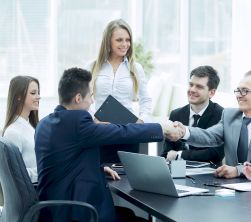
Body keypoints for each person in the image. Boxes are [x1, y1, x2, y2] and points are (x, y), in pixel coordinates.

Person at [35, 68, 175, 222]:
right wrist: (161, 128)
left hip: (54, 211)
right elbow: (123, 132)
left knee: (128, 214)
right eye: (90, 96)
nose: (92, 101)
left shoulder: (44, 123)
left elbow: (64, 161)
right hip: (76, 213)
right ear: (78, 98)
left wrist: (97, 167)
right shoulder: (78, 122)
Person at [167, 70, 251, 178]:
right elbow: (209, 136)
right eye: (238, 91)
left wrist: (238, 170)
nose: (239, 96)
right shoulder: (230, 115)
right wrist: (184, 132)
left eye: (245, 91)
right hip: (230, 186)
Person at [88, 18, 151, 163]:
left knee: (128, 175)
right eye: (119, 40)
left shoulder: (136, 68)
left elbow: (146, 99)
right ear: (108, 41)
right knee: (102, 175)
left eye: (128, 40)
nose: (125, 44)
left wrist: (141, 120)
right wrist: (93, 119)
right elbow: (81, 101)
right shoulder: (92, 67)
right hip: (100, 131)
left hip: (127, 131)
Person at [161, 65, 224, 165]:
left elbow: (215, 154)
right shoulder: (176, 114)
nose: (192, 90)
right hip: (177, 172)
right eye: (191, 85)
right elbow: (166, 153)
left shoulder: (221, 114)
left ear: (211, 93)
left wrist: (179, 155)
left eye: (199, 87)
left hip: (208, 175)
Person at [3, 75, 40, 183]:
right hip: (34, 191)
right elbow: (14, 174)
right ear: (19, 96)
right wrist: (44, 171)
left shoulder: (32, 127)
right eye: (33, 93)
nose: (38, 97)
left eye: (38, 92)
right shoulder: (13, 132)